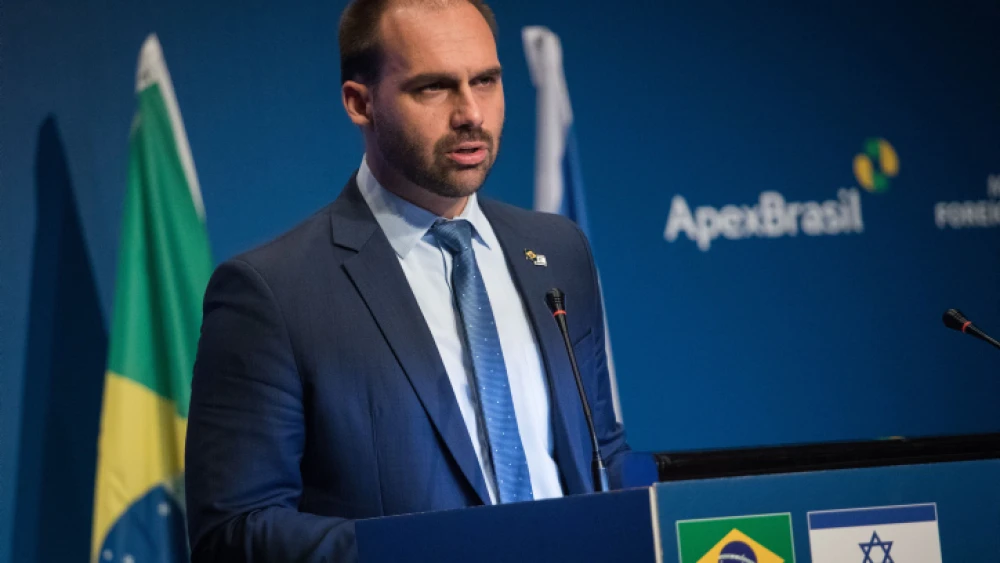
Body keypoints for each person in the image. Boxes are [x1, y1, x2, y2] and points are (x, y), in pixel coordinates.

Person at [184, 0, 629, 560]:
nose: (471, 112)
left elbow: (603, 455)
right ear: (360, 103)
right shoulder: (271, 293)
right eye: (434, 88)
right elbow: (234, 532)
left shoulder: (560, 251)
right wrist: (441, 550)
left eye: (486, 80)